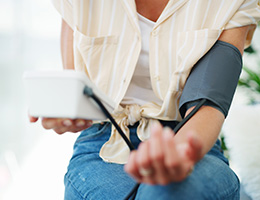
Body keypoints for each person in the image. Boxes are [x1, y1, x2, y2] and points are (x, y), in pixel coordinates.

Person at [30, 0, 260, 199]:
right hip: (104, 143)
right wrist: (68, 113)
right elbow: (77, 89)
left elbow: (208, 100)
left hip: (191, 137)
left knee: (167, 192)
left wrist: (180, 153)